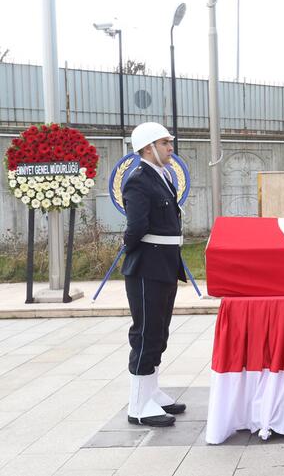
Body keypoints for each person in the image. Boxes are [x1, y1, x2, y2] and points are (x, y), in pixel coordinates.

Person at [121, 122, 187, 427]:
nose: (170, 148)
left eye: (169, 143)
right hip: (148, 265)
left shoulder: (160, 176)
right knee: (146, 333)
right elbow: (136, 227)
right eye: (165, 143)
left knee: (159, 331)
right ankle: (138, 405)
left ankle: (151, 390)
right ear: (148, 148)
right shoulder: (138, 180)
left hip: (163, 263)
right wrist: (131, 248)